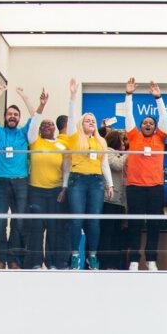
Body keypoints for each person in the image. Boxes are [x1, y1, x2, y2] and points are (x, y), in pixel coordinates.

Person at [0, 83, 37, 269]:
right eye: (9, 114)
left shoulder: (23, 133)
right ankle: (1, 261)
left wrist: (24, 96)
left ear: (19, 118)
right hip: (1, 183)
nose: (12, 117)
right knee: (0, 223)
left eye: (15, 114)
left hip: (21, 182)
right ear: (5, 117)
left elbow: (35, 115)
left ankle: (15, 260)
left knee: (19, 222)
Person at [63, 79, 113, 270]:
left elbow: (105, 164)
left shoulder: (101, 142)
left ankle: (92, 257)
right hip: (77, 180)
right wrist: (73, 96)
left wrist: (110, 185)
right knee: (76, 219)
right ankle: (75, 255)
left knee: (94, 221)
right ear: (81, 123)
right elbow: (71, 114)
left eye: (93, 120)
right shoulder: (74, 137)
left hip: (96, 182)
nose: (91, 123)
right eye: (87, 120)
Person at [122, 78, 167, 271]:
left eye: (151, 123)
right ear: (140, 126)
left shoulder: (160, 137)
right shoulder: (133, 136)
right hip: (135, 188)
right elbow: (128, 116)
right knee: (134, 224)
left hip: (155, 188)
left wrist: (158, 98)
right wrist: (129, 95)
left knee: (154, 225)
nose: (148, 124)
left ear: (155, 127)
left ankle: (151, 259)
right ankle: (134, 259)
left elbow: (164, 118)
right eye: (145, 122)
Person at [24, 100, 69, 270]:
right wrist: (41, 107)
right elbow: (34, 122)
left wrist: (64, 187)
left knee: (54, 227)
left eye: (51, 124)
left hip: (56, 191)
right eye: (44, 124)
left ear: (55, 129)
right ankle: (35, 262)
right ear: (40, 129)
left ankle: (52, 263)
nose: (48, 126)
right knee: (36, 227)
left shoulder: (62, 144)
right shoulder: (34, 141)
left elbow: (66, 168)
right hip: (36, 190)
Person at [98, 128, 128, 270]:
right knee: (107, 233)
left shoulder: (119, 154)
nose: (125, 144)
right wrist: (129, 153)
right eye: (123, 140)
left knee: (117, 233)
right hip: (109, 200)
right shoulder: (109, 152)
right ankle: (105, 263)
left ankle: (115, 264)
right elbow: (117, 165)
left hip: (120, 201)